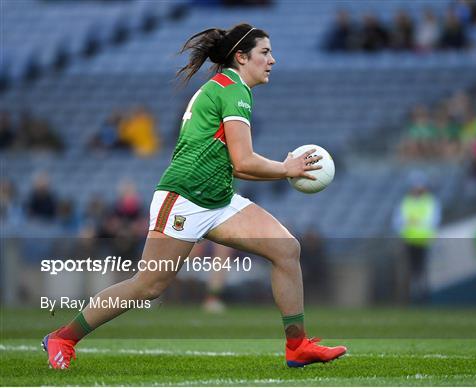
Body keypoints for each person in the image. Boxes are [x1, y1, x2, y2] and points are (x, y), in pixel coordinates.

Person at [42, 23, 346, 369]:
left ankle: (297, 346)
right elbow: (244, 161)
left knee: (286, 248)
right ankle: (62, 337)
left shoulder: (229, 88)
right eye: (265, 52)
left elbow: (239, 167)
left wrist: (281, 168)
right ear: (241, 57)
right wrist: (287, 168)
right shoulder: (233, 90)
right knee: (148, 285)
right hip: (184, 196)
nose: (273, 60)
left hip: (217, 197)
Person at [392, 172, 441, 303]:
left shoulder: (430, 202)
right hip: (408, 241)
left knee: (422, 270)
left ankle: (423, 297)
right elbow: (397, 222)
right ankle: (410, 297)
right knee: (410, 271)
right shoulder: (406, 202)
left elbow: (433, 221)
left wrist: (413, 222)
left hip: (424, 242)